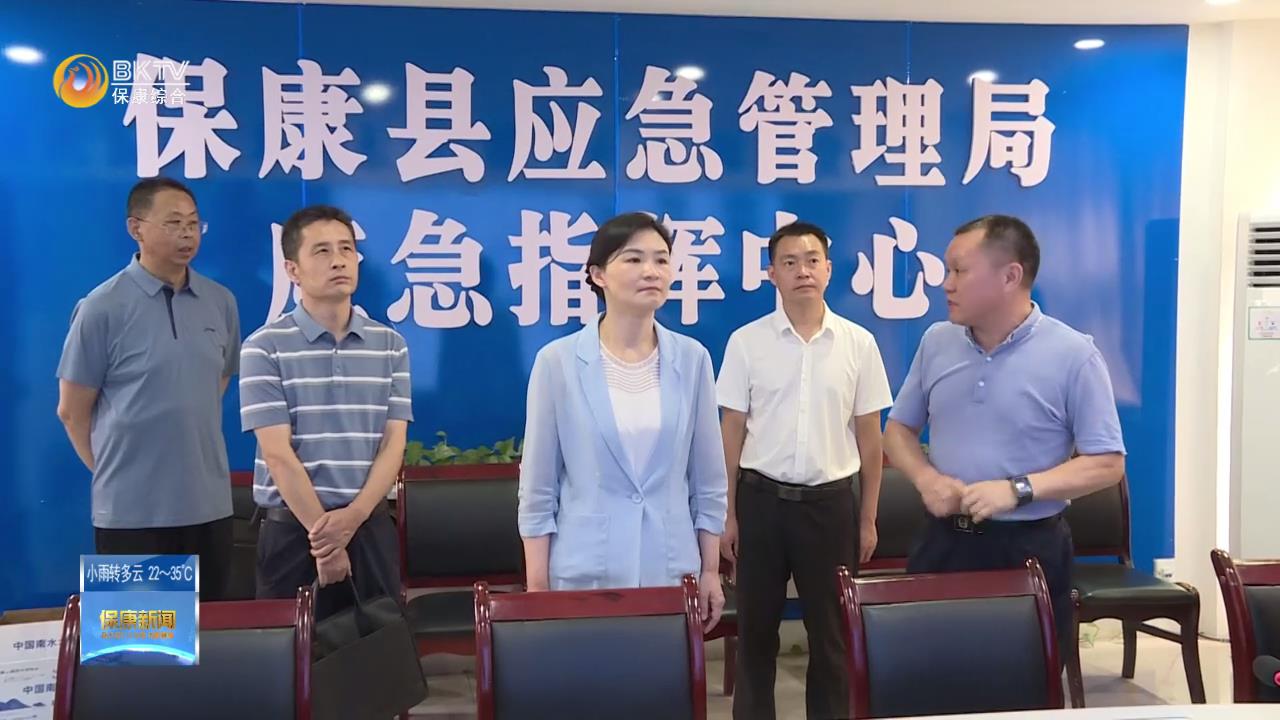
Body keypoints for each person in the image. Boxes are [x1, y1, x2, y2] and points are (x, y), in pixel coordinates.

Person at [884, 214, 1126, 651]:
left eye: (959, 270)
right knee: (926, 673)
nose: (946, 284)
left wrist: (1018, 489)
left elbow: (1106, 463)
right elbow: (898, 430)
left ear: (1010, 276)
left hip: (1028, 548)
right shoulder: (937, 342)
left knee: (1024, 676)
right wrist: (926, 478)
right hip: (941, 543)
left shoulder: (1074, 355)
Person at [518, 212, 728, 630]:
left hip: (670, 571)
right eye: (633, 259)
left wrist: (710, 570)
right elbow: (539, 487)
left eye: (661, 259)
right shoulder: (557, 362)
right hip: (584, 572)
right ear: (598, 275)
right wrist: (538, 589)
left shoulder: (693, 359)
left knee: (665, 675)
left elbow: (708, 482)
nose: (651, 271)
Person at [717, 221, 892, 720]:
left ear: (829, 270)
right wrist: (727, 514)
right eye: (789, 262)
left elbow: (870, 439)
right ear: (772, 274)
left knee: (832, 637)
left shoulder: (859, 343)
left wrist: (868, 517)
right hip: (760, 503)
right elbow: (731, 433)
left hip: (831, 507)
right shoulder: (747, 343)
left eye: (812, 260)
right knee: (755, 635)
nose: (802, 271)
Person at [56, 178, 240, 599]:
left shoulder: (221, 302)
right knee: (140, 637)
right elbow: (71, 411)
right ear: (135, 228)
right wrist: (116, 472)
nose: (187, 234)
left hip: (209, 507)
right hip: (130, 514)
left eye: (193, 224)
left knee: (211, 631)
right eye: (173, 223)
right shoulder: (101, 307)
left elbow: (216, 384)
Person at [239, 205, 410, 618]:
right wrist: (328, 544)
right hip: (293, 532)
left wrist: (353, 518)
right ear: (292, 270)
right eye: (322, 251)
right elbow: (278, 454)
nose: (338, 261)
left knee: (380, 651)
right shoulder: (263, 347)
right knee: (290, 654)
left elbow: (393, 443)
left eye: (346, 249)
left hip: (368, 527)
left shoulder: (390, 345)